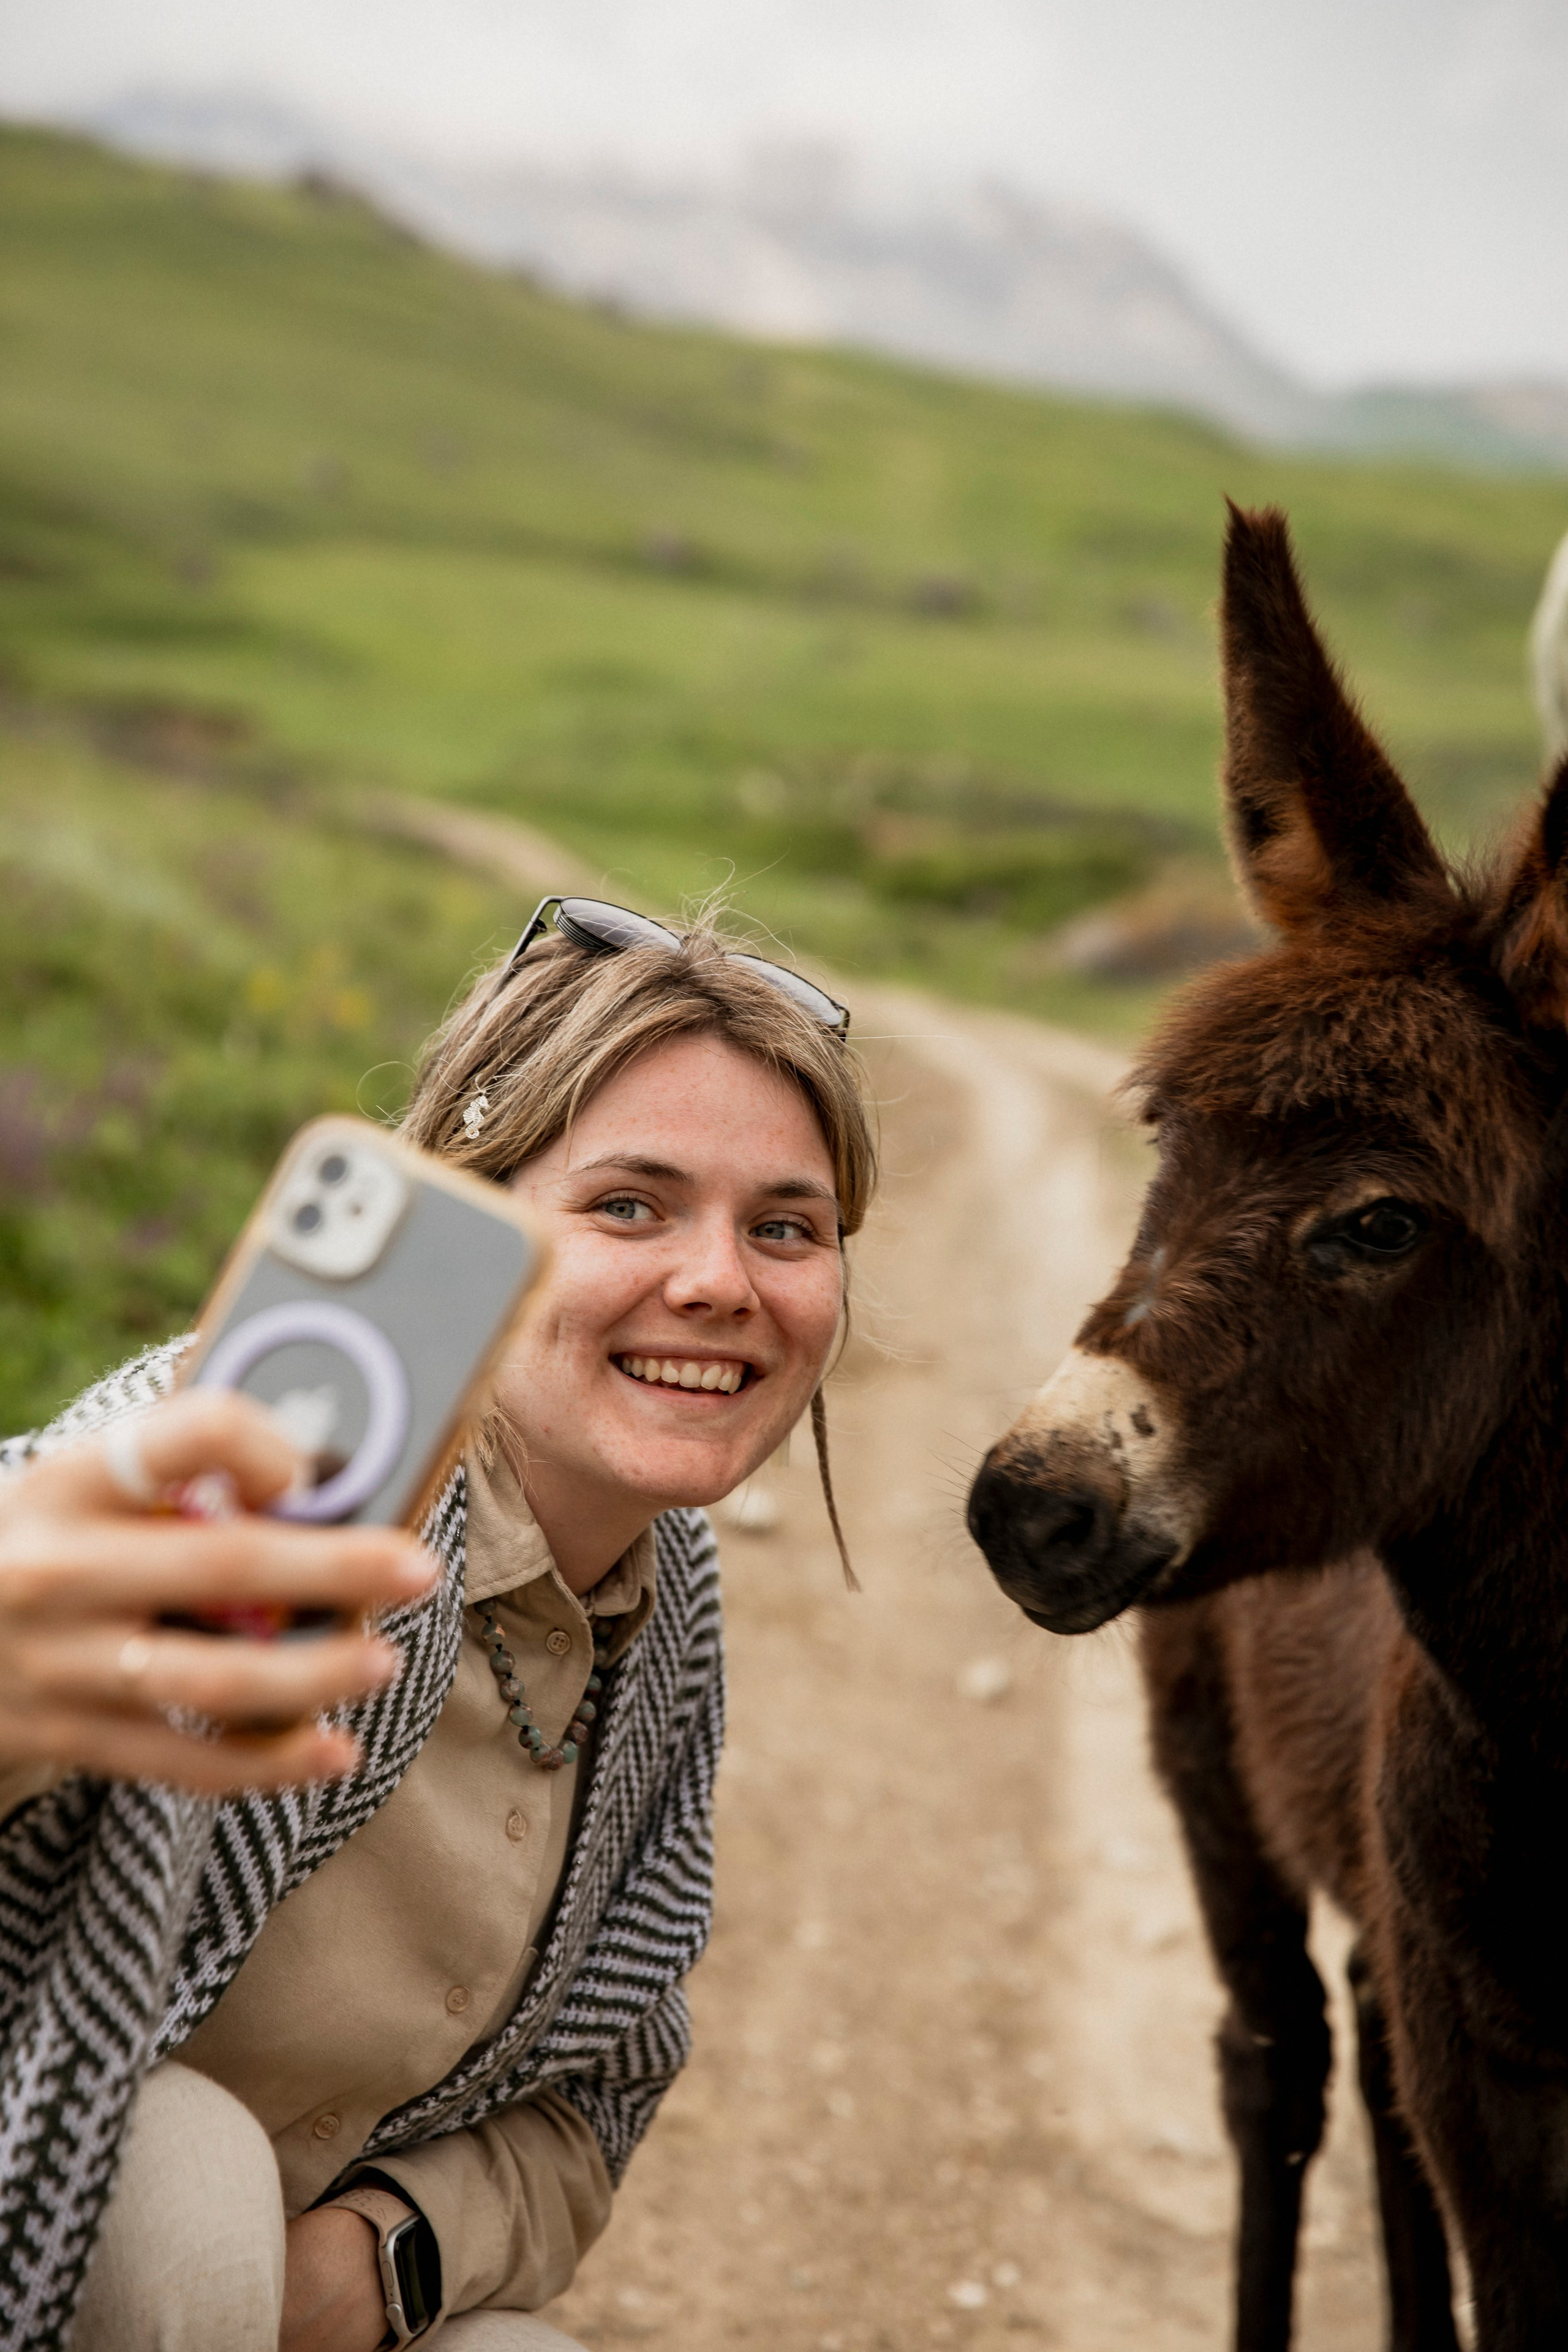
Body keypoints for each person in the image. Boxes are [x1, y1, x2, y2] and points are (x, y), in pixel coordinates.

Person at [0, 899, 876, 2352]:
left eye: (785, 1227)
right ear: (472, 1226)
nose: (722, 1282)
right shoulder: (234, 1467)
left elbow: (590, 2102)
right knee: (179, 2175)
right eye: (628, 1206)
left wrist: (387, 2252)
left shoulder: (667, 1617)